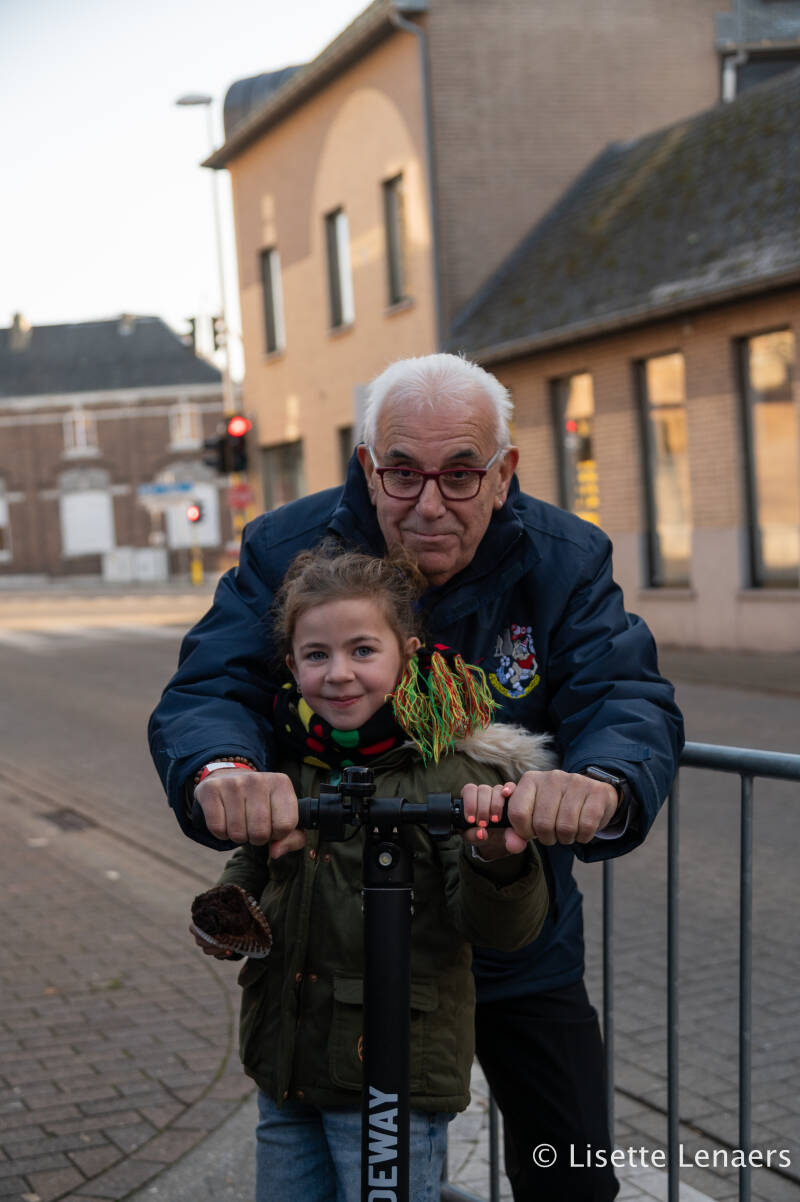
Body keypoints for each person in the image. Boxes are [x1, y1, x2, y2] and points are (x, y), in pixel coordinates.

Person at [149, 352, 685, 1201]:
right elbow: (213, 686)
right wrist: (225, 770)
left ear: (503, 472)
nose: (430, 502)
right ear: (368, 466)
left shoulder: (565, 557)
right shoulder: (287, 548)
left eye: (461, 473)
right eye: (402, 472)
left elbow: (623, 692)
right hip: (345, 940)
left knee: (571, 1172)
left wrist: (603, 780)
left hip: (508, 923)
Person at [187, 544, 552, 1202]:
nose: (339, 675)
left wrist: (498, 856)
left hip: (392, 1081)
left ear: (405, 653)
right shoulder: (290, 763)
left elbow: (496, 929)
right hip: (286, 1066)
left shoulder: (452, 772)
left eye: (362, 650)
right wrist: (237, 902)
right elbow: (248, 882)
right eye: (316, 655)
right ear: (292, 663)